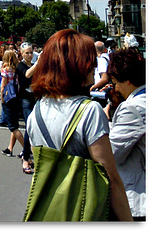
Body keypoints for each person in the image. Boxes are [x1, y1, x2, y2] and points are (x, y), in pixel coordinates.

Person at [26, 29, 133, 221]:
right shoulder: (90, 111)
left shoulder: (37, 111)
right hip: (85, 209)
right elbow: (111, 179)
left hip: (52, 210)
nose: (94, 67)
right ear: (76, 66)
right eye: (89, 61)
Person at [104, 47, 146, 220]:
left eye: (116, 82)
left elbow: (112, 153)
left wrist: (104, 123)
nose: (116, 88)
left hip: (136, 195)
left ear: (127, 80)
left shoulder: (132, 108)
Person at [0, 50, 25, 158]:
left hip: (9, 97)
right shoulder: (18, 69)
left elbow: (3, 85)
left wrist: (2, 97)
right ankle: (10, 148)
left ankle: (26, 149)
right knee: (14, 122)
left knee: (13, 127)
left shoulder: (5, 70)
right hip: (17, 97)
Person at [16, 42, 36, 173]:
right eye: (26, 53)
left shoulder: (34, 65)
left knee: (34, 128)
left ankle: (28, 155)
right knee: (29, 126)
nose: (29, 55)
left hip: (35, 99)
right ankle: (25, 157)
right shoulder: (20, 66)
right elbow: (27, 74)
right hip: (25, 99)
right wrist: (39, 64)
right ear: (22, 54)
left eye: (30, 52)